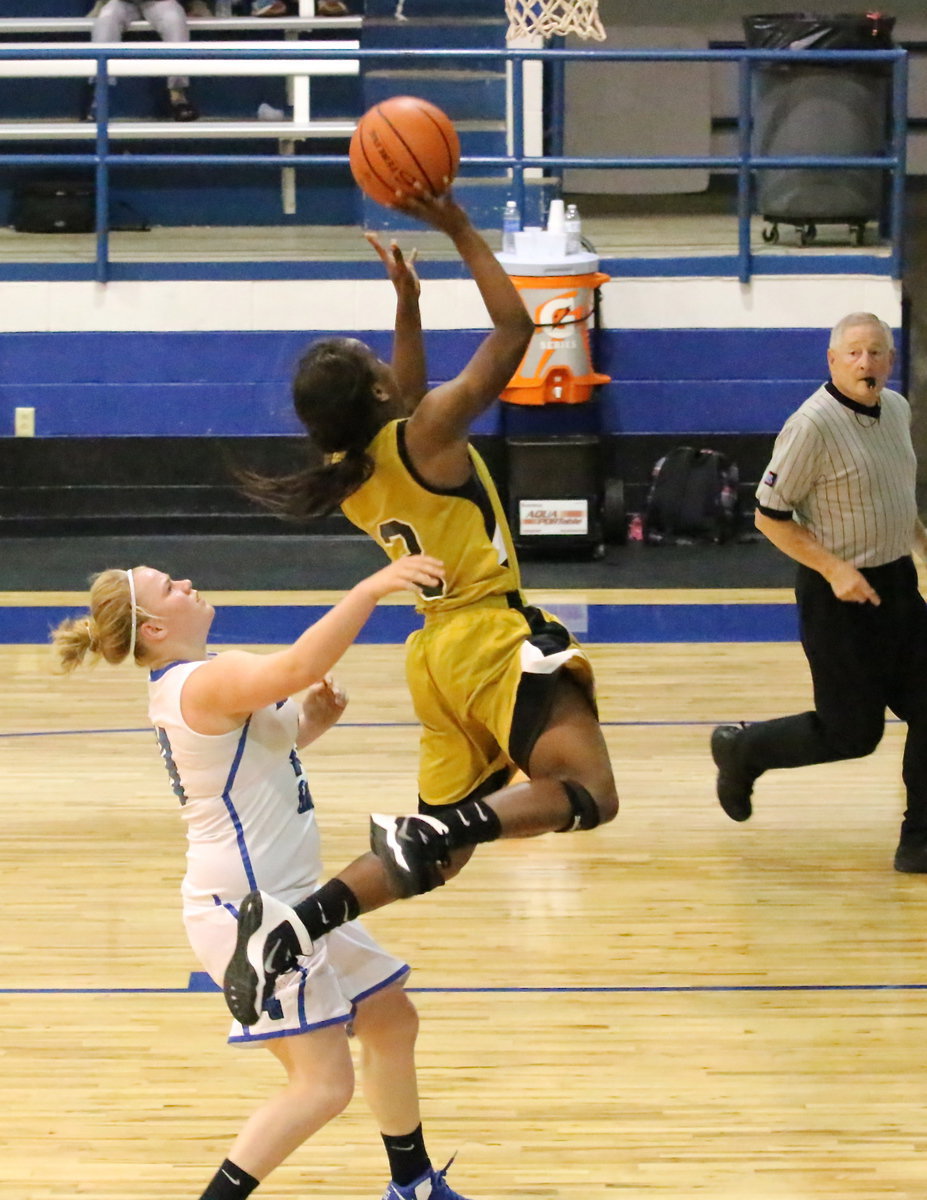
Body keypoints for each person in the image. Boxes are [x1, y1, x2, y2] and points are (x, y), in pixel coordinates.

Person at [50, 555, 477, 1200]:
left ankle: (412, 1184)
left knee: (391, 1019)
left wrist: (311, 724)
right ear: (155, 628)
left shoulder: (202, 682)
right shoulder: (203, 682)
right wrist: (370, 588)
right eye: (170, 587)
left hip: (298, 902)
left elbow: (267, 744)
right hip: (251, 916)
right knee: (322, 1086)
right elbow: (300, 665)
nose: (187, 583)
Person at [241, 190, 618, 910]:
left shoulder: (348, 475)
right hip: (488, 639)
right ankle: (427, 835)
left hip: (435, 658)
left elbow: (400, 396)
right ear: (378, 387)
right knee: (586, 793)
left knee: (441, 852)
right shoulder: (425, 435)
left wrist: (408, 304)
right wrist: (458, 227)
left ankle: (297, 924)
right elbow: (513, 328)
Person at [710, 311, 927, 873]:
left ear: (891, 360)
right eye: (854, 352)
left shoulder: (898, 409)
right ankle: (744, 750)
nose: (866, 362)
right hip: (839, 598)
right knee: (853, 733)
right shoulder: (811, 425)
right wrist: (833, 569)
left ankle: (919, 839)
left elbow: (898, 500)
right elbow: (768, 516)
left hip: (898, 586)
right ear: (832, 361)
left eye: (876, 352)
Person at [86, 1, 199, 121]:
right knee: (106, 20)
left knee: (174, 19)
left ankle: (178, 96)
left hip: (161, 2)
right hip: (121, 2)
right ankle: (100, 97)